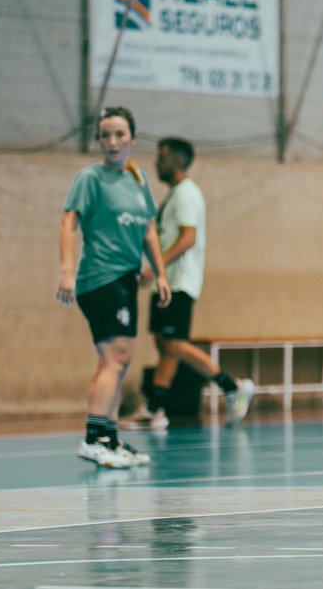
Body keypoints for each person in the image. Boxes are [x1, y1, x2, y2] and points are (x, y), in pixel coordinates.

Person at [57, 107, 171, 469]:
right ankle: (93, 439)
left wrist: (161, 272)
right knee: (113, 359)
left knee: (120, 362)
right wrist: (66, 270)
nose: (112, 142)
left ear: (133, 139)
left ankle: (109, 437)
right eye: (105, 135)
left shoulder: (138, 181)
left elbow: (149, 230)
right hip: (100, 279)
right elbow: (68, 223)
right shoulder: (90, 178)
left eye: (119, 134)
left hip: (126, 279)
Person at [121, 137, 255, 432]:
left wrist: (156, 267)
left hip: (179, 282)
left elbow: (187, 238)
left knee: (174, 343)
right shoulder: (174, 195)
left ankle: (232, 386)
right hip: (166, 282)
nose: (157, 162)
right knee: (165, 345)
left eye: (163, 157)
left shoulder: (187, 194)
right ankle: (155, 409)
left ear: (178, 161)